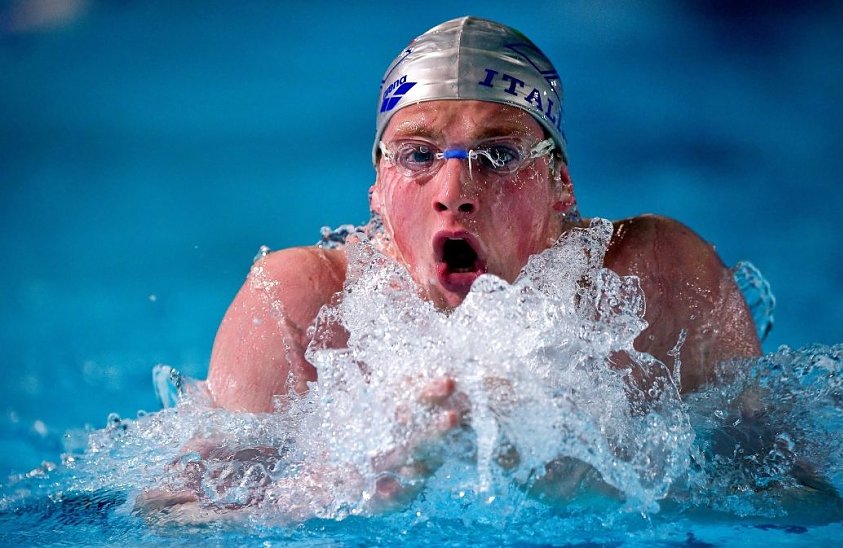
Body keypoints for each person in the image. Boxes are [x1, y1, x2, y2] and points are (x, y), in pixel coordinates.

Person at [139, 16, 765, 517]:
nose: (455, 191)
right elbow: (167, 520)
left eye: (499, 155)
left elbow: (797, 501)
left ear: (560, 182)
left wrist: (605, 485)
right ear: (377, 189)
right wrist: (345, 489)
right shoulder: (297, 306)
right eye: (418, 155)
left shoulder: (657, 278)